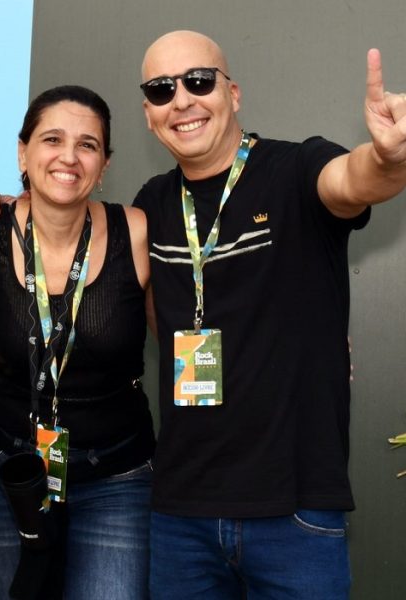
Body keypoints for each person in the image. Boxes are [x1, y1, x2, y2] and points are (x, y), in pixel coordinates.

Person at [133, 30, 406, 599]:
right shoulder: (152, 204)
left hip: (295, 512)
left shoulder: (297, 168)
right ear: (149, 114)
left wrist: (388, 157)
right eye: (162, 89)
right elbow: (158, 312)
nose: (181, 99)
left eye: (198, 81)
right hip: (180, 515)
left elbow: (354, 180)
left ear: (233, 93)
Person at [0, 85, 155, 600]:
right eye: (52, 139)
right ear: (23, 152)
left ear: (104, 163)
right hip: (7, 470)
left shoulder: (135, 231)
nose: (69, 157)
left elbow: (186, 320)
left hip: (116, 477)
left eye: (88, 145)